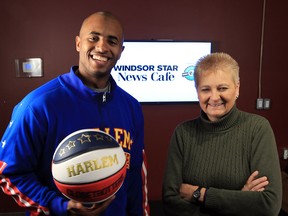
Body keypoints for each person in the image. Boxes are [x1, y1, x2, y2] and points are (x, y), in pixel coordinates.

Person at [0, 11, 150, 216]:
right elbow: (9, 174)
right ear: (78, 43)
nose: (102, 47)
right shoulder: (38, 105)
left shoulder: (131, 107)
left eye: (112, 41)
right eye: (93, 38)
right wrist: (59, 206)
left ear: (120, 51)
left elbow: (135, 179)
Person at [162, 52, 282, 216]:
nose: (214, 97)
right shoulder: (183, 133)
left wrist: (200, 194)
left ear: (237, 88)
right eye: (205, 89)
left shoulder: (258, 128)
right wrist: (241, 199)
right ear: (197, 91)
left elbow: (269, 205)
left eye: (222, 88)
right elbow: (171, 202)